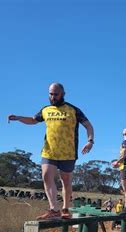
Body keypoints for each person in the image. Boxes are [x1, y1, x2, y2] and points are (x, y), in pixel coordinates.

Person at [8, 83, 94, 220]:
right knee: (46, 176)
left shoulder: (73, 110)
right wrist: (19, 118)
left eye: (56, 94)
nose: (53, 97)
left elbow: (88, 126)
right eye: (51, 94)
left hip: (68, 152)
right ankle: (53, 209)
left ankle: (65, 209)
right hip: (49, 151)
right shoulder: (46, 110)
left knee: (66, 180)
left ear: (63, 94)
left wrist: (90, 141)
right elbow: (32, 120)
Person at [112, 128, 126, 214]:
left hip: (125, 167)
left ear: (123, 134)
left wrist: (116, 163)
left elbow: (124, 155)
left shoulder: (125, 142)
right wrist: (119, 164)